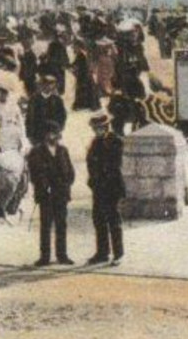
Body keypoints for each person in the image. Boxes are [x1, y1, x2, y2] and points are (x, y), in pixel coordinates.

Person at [27, 122, 75, 266]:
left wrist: (65, 185)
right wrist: (44, 186)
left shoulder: (63, 150)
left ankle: (62, 255)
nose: (52, 136)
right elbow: (34, 173)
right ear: (44, 135)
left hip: (61, 194)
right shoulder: (36, 151)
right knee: (45, 226)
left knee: (61, 225)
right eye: (49, 133)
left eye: (54, 133)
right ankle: (45, 257)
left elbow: (71, 172)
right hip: (46, 195)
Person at [84, 112, 125, 266]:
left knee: (113, 220)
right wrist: (93, 180)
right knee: (99, 220)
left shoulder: (115, 141)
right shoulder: (95, 142)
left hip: (112, 187)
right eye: (95, 128)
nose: (96, 131)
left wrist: (100, 177)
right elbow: (91, 162)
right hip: (98, 187)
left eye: (99, 128)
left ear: (106, 127)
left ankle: (118, 254)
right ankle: (102, 253)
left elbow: (113, 165)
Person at [25, 73, 69, 146]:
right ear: (41, 85)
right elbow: (29, 117)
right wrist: (30, 135)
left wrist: (58, 129)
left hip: (52, 133)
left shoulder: (57, 100)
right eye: (45, 84)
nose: (48, 87)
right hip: (37, 134)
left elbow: (62, 116)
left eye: (51, 84)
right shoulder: (34, 99)